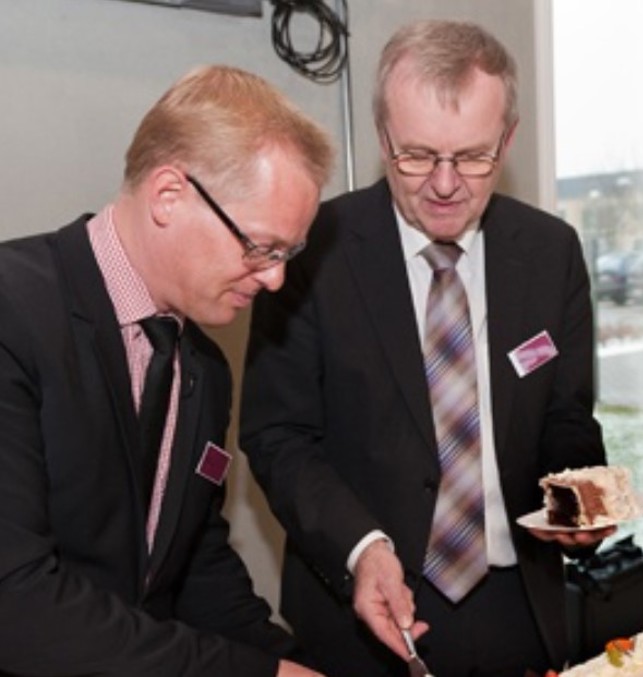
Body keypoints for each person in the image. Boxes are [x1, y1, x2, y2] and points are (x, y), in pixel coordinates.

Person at [240, 19, 612, 677]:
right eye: (416, 155)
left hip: (519, 605)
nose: (444, 184)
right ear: (382, 138)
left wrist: (578, 493)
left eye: (473, 156)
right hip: (360, 609)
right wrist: (362, 548)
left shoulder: (551, 252)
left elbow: (566, 416)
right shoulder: (310, 249)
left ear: (509, 139)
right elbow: (279, 435)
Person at [0, 65, 334, 676]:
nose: (276, 277)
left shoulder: (205, 369)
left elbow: (195, 566)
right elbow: (16, 602)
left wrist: (291, 664)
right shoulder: (13, 313)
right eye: (260, 246)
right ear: (168, 197)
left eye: (289, 253)